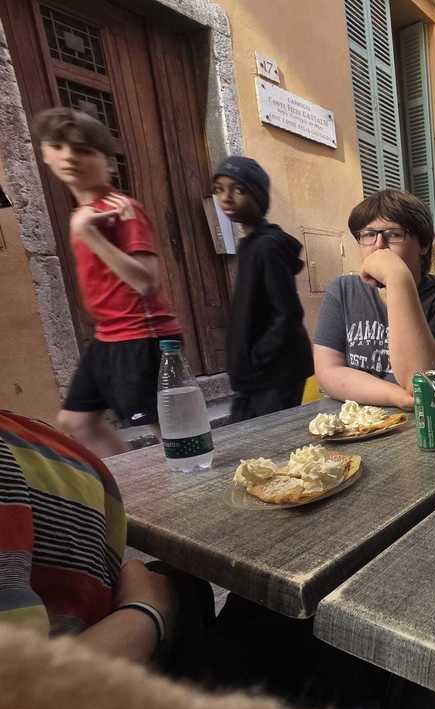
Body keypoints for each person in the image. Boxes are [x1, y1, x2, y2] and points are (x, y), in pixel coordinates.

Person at [33, 107, 182, 457]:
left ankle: (197, 484)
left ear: (108, 163)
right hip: (107, 336)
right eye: (58, 146)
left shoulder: (120, 208)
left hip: (142, 335)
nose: (69, 156)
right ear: (45, 154)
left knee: (171, 429)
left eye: (83, 150)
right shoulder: (84, 213)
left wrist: (89, 234)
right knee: (76, 421)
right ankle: (128, 483)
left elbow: (146, 281)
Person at [0, 410, 176, 664]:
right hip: (102, 662)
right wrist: (144, 610)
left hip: (97, 604)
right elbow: (24, 683)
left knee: (189, 585)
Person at [314, 190, 435, 408]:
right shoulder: (342, 291)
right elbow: (329, 371)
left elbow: (425, 386)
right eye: (368, 235)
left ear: (423, 245)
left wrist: (397, 278)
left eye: (394, 234)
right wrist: (397, 397)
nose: (378, 245)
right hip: (362, 422)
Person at [212, 156, 314, 422]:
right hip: (255, 378)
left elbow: (288, 313)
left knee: (273, 441)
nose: (226, 198)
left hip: (275, 374)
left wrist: (256, 359)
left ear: (258, 195)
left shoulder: (268, 247)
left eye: (238, 190)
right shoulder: (250, 245)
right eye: (219, 189)